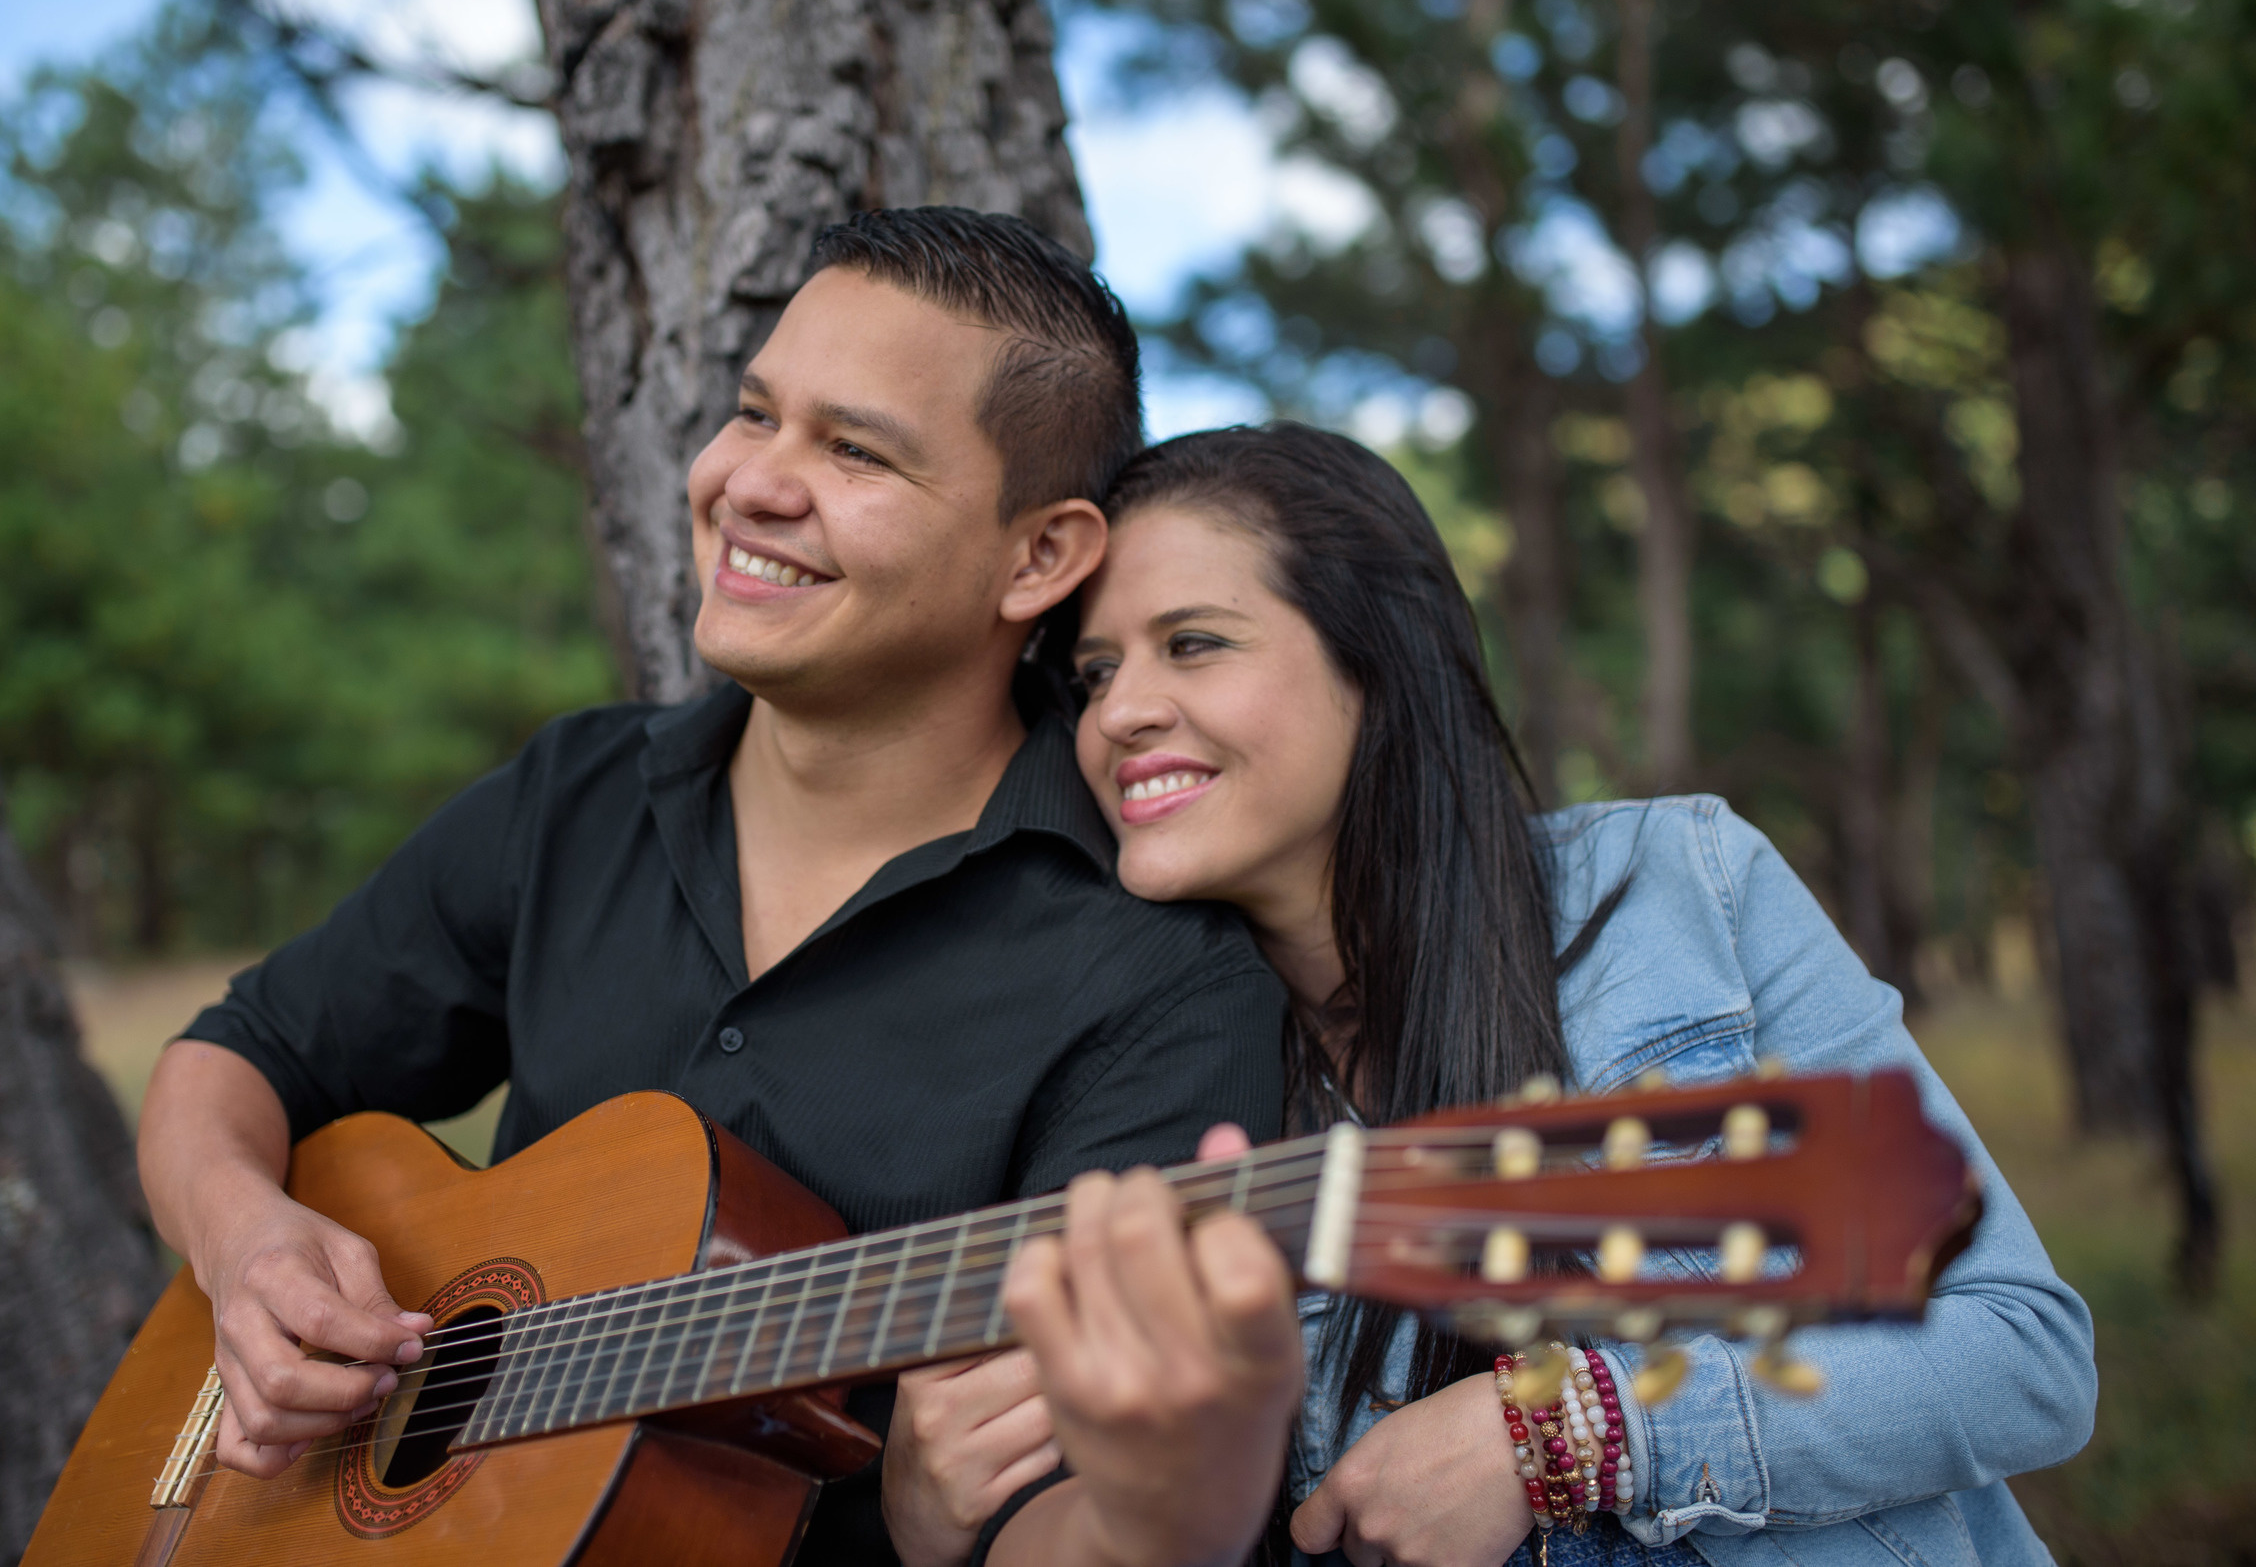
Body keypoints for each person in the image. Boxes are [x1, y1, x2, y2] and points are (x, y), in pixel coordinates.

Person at [135, 209, 1288, 1565]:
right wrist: (246, 1246)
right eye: (757, 414)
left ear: (1037, 557)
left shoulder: (1159, 977)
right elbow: (240, 1055)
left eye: (855, 450)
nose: (750, 483)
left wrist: (952, 1519)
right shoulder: (579, 793)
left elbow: (1082, 1524)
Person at [882, 422, 2096, 1567]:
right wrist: (935, 1521)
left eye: (1192, 641)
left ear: (1379, 659)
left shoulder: (1677, 886)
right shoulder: (1142, 1083)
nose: (1121, 711)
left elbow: (2017, 1351)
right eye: (1093, 674)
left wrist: (1563, 1433)